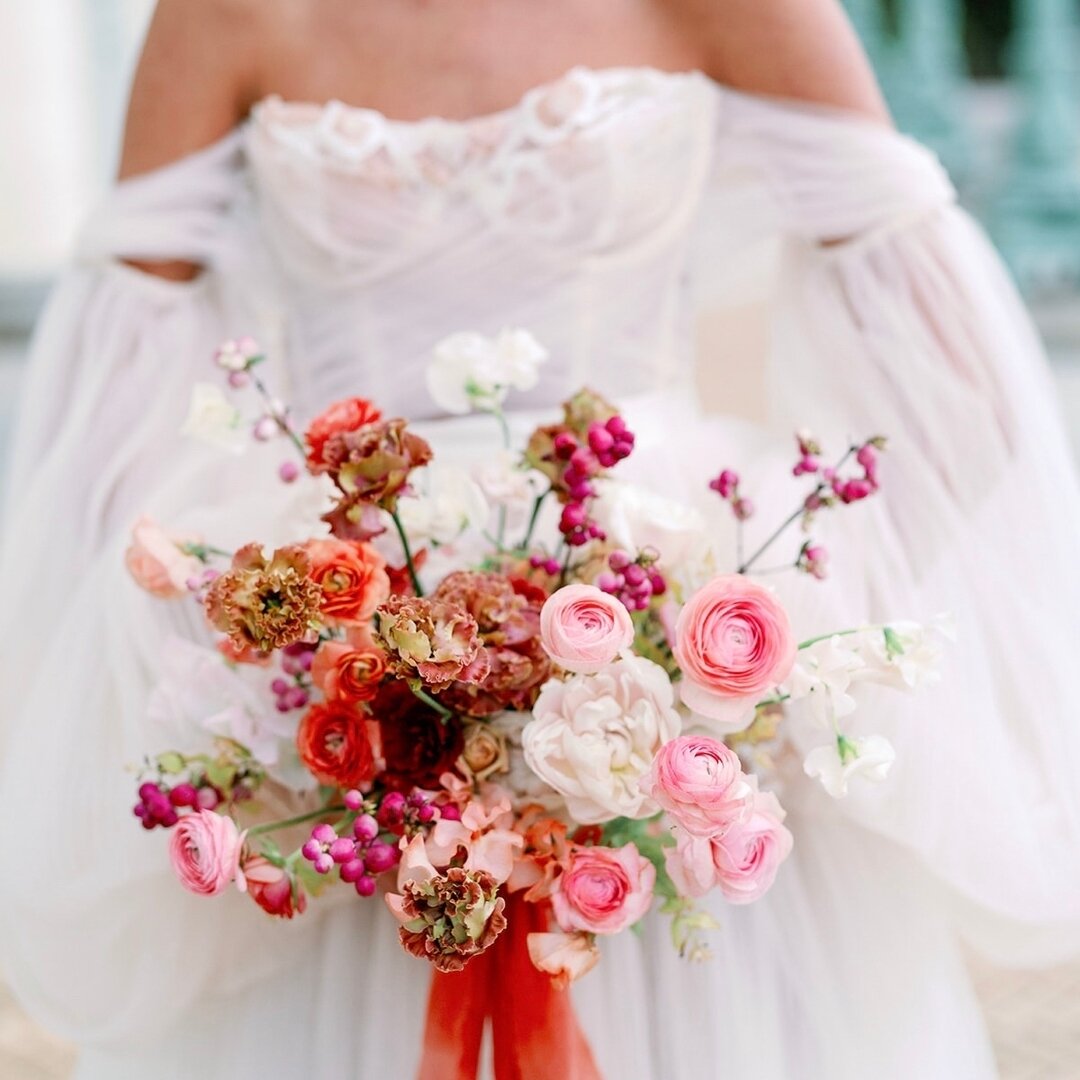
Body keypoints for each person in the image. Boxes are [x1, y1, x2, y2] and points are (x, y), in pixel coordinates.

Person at [2, 1, 1079, 1076]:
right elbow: (107, 400)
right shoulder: (225, 15)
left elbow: (952, 372)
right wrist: (258, 631)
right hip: (344, 639)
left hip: (659, 619)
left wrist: (771, 623)